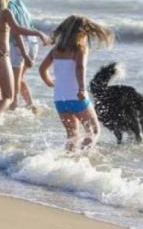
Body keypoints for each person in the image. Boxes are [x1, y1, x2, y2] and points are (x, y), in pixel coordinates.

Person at [39, 15, 114, 151]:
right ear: (81, 32)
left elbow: (42, 69)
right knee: (93, 132)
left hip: (60, 99)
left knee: (72, 136)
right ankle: (81, 159)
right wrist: (82, 89)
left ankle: (68, 161)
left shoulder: (55, 50)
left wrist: (49, 82)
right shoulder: (80, 49)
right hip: (76, 97)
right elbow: (80, 68)